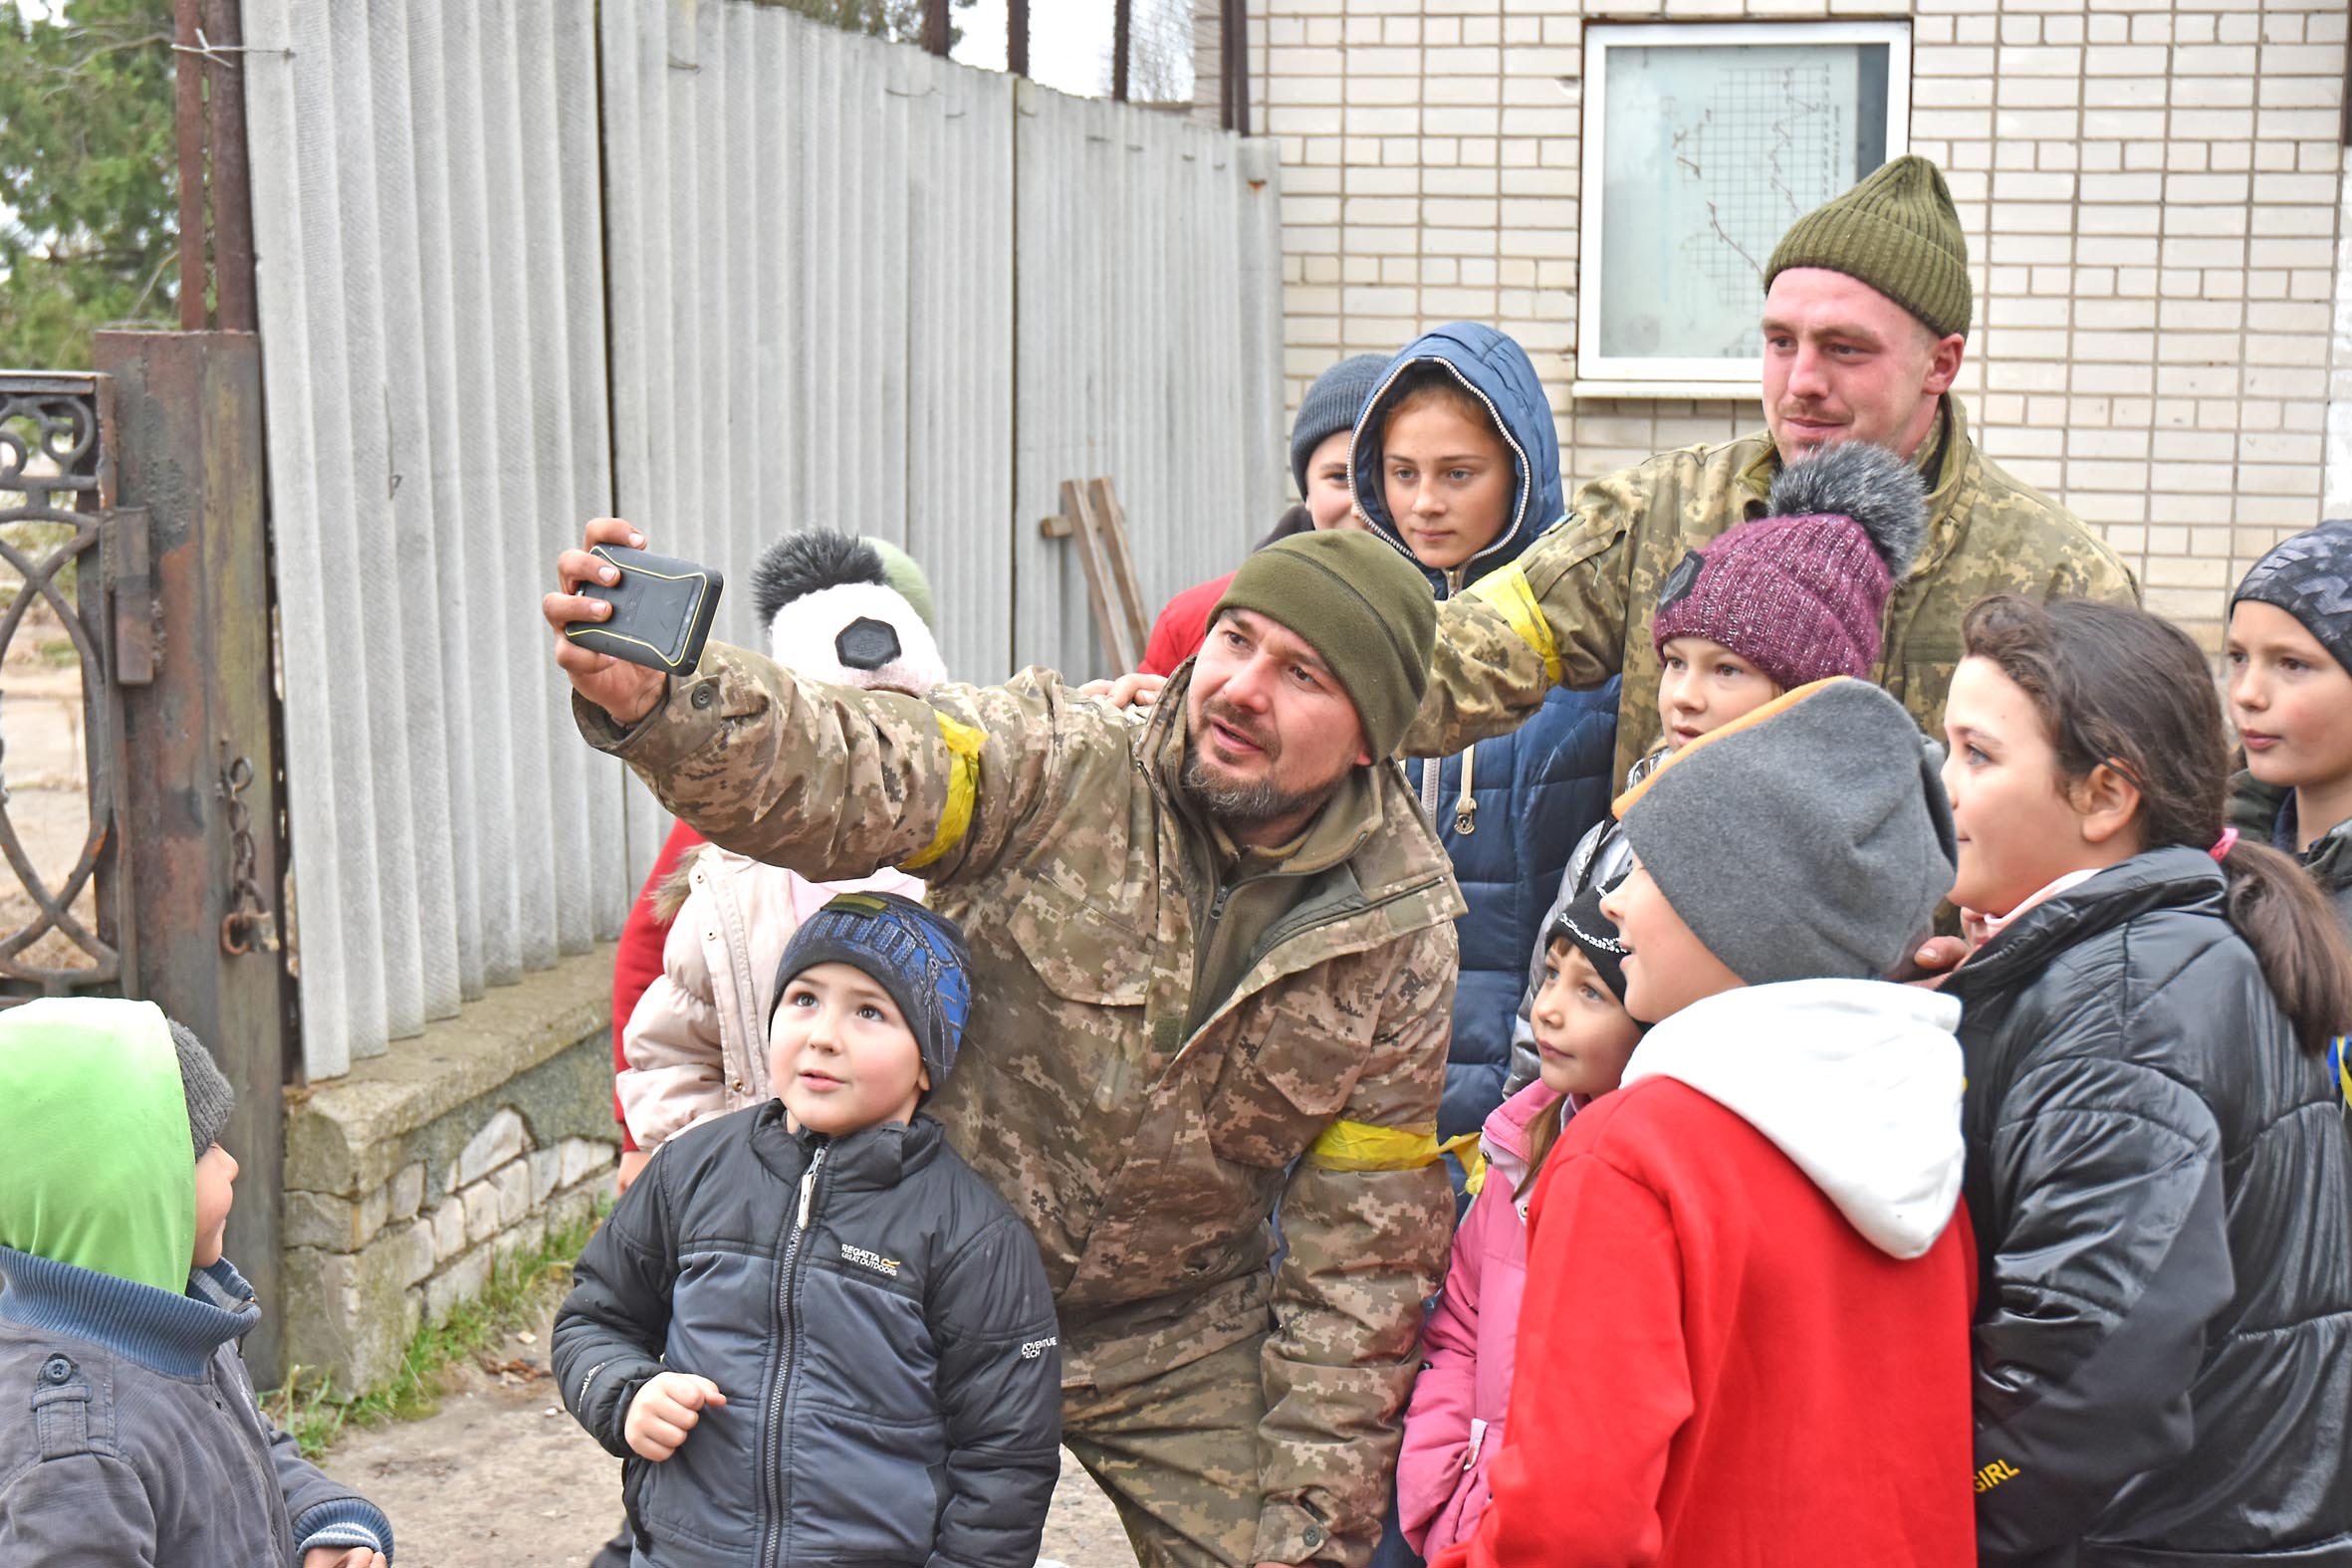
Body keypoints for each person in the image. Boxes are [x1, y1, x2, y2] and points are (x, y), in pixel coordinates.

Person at [547, 521, 1463, 1568]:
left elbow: (1362, 1255)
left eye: (1301, 672)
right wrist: (669, 703)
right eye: (1236, 641)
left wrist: (1310, 1532)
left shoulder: (1397, 930)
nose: (1243, 687)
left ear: (1367, 737)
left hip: (1178, 1337)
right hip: (908, 1286)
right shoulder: (1063, 765)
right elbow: (862, 762)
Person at [1435, 676, 1978, 1567]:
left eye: (1645, 870)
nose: (1612, 901)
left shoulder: (1631, 1157)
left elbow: (1571, 1522)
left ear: (1737, 916)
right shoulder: (1919, 1136)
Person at [1400, 154, 2137, 786]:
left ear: (1939, 363)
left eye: (1845, 349)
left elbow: (2122, 824)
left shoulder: (2059, 580)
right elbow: (1470, 651)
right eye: (1781, 342)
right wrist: (1315, 681)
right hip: (1667, 949)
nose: (1802, 381)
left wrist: (2000, 946)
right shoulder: (1667, 508)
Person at [1934, 594, 2352, 1563]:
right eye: (1945, 746)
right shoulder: (2143, 957)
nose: (1941, 785)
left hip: (2154, 1537)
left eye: (1978, 755)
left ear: (2104, 797)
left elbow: (2091, 1360)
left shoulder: (2123, 1004)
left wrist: (1957, 1497)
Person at [556, 892, 1060, 1566]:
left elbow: (1007, 1458)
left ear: (928, 1064)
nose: (823, 1034)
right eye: (804, 999)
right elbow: (593, 1318)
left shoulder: (973, 1234)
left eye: (870, 1011)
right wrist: (627, 1393)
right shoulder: (691, 1172)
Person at [1502, 439, 1928, 1091]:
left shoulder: (1842, 875)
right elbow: (1542, 1019)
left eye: (1726, 669)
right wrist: (1515, 1155)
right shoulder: (1617, 838)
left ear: (1805, 694)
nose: (1684, 695)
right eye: (1675, 660)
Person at [1350, 326, 1620, 1176]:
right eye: (1403, 474)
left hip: (1532, 1080)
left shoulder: (1586, 663)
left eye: (1457, 474)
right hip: (1371, 1067)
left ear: (1520, 469)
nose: (1425, 502)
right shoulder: (1357, 634)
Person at [0, 999, 395, 1567]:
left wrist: (323, 1521)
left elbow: (243, 1452)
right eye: (206, 1147)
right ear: (124, 1188)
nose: (232, 1163)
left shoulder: (172, 1317)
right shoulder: (75, 1455)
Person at [618, 530, 937, 1152]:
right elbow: (670, 1037)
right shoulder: (732, 857)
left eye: (898, 722)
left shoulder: (972, 862)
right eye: (843, 726)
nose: (870, 755)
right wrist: (697, 1175)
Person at [1395, 880, 1643, 1560]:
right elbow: (1459, 1327)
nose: (1550, 1009)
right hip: (1465, 1515)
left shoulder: (1644, 1185)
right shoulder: (1516, 1147)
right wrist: (1443, 1476)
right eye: (1552, 973)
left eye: (1592, 991)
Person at [1138, 352, 1385, 678]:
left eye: (1382, 478)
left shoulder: (1461, 634)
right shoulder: (1194, 621)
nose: (1359, 507)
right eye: (1339, 478)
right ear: (1306, 490)